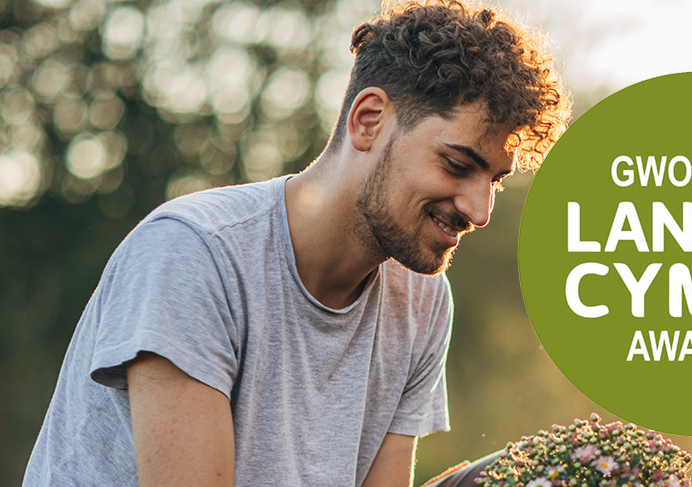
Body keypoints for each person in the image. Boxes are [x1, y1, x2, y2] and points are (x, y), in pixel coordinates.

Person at [23, 0, 568, 485]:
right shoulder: (193, 255)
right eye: (457, 164)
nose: (480, 210)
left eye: (493, 180)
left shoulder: (421, 303)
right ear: (369, 120)